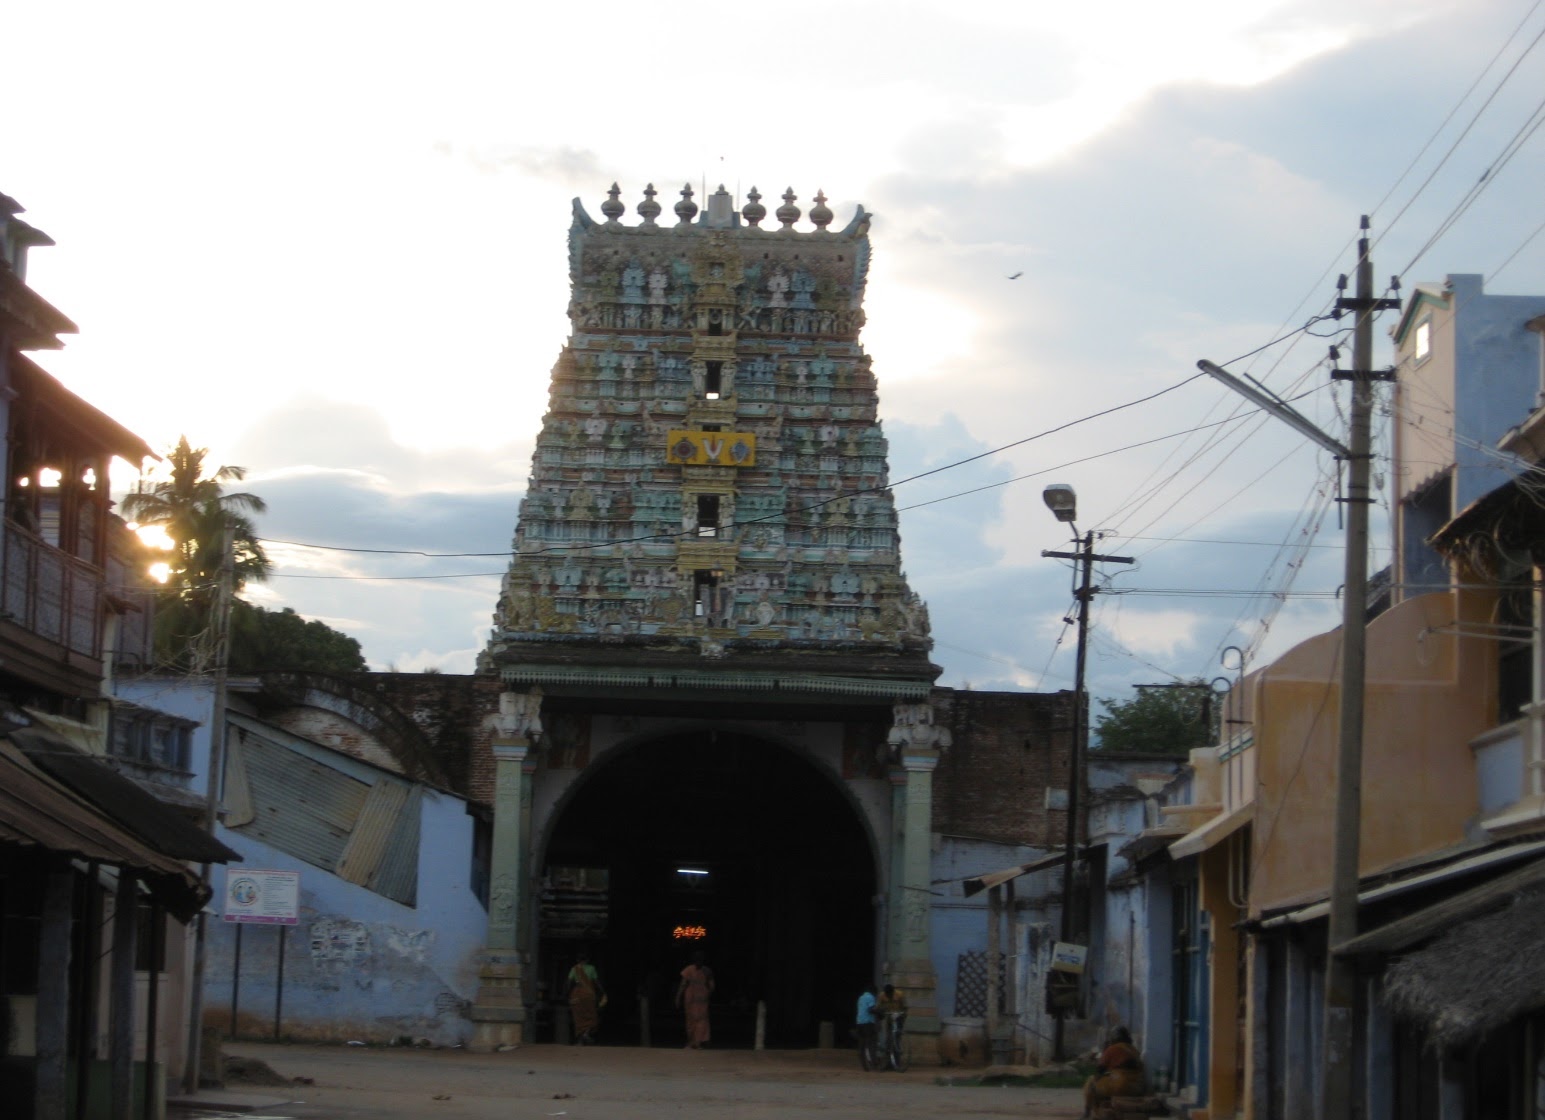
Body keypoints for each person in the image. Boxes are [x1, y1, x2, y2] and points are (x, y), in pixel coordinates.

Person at [1082, 1025, 1145, 1118]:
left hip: (1120, 1084)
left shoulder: (1112, 1049)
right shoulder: (1134, 1050)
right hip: (1136, 1087)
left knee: (1091, 1082)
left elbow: (1100, 1070)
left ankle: (1088, 1112)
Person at [566, 950, 606, 1045]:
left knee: (578, 1017)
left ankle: (580, 1040)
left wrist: (568, 994)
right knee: (591, 1016)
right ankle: (586, 1033)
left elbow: (568, 983)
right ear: (587, 960)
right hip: (589, 995)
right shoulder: (591, 968)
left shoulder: (574, 969)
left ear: (577, 960)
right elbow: (596, 982)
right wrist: (602, 991)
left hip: (577, 995)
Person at [676, 950, 715, 1049]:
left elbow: (712, 986)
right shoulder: (689, 970)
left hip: (700, 999)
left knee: (700, 1021)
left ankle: (697, 1042)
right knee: (692, 1021)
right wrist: (678, 997)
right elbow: (683, 984)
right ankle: (692, 1042)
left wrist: (707, 994)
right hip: (692, 998)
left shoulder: (706, 971)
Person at [854, 984, 878, 1061]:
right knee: (872, 1041)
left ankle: (862, 1059)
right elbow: (871, 1009)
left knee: (861, 1042)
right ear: (873, 992)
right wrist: (879, 1012)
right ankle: (873, 1061)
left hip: (859, 1022)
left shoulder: (861, 997)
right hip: (868, 1022)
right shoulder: (871, 997)